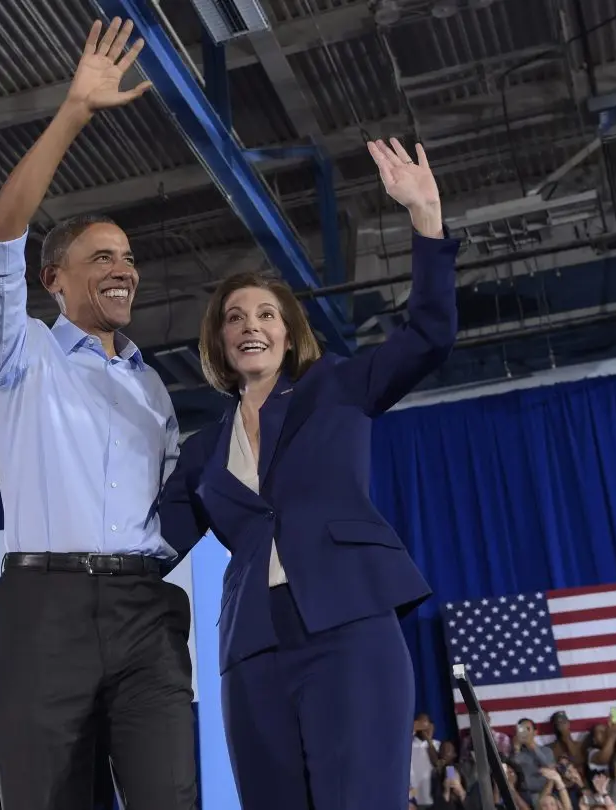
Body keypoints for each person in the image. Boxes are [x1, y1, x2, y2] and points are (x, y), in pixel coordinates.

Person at [158, 137, 458, 809]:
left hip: (348, 630)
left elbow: (430, 336)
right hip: (253, 650)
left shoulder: (338, 390)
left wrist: (426, 216)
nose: (250, 325)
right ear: (220, 343)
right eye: (234, 318)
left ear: (290, 334)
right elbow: (150, 546)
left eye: (266, 314)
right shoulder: (205, 450)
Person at [0, 18, 196, 810]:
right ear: (54, 280)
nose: (124, 269)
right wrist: (74, 112)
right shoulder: (18, 352)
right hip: (43, 611)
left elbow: (181, 507)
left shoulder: (152, 389)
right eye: (102, 256)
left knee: (172, 795)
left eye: (129, 257)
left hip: (146, 611)